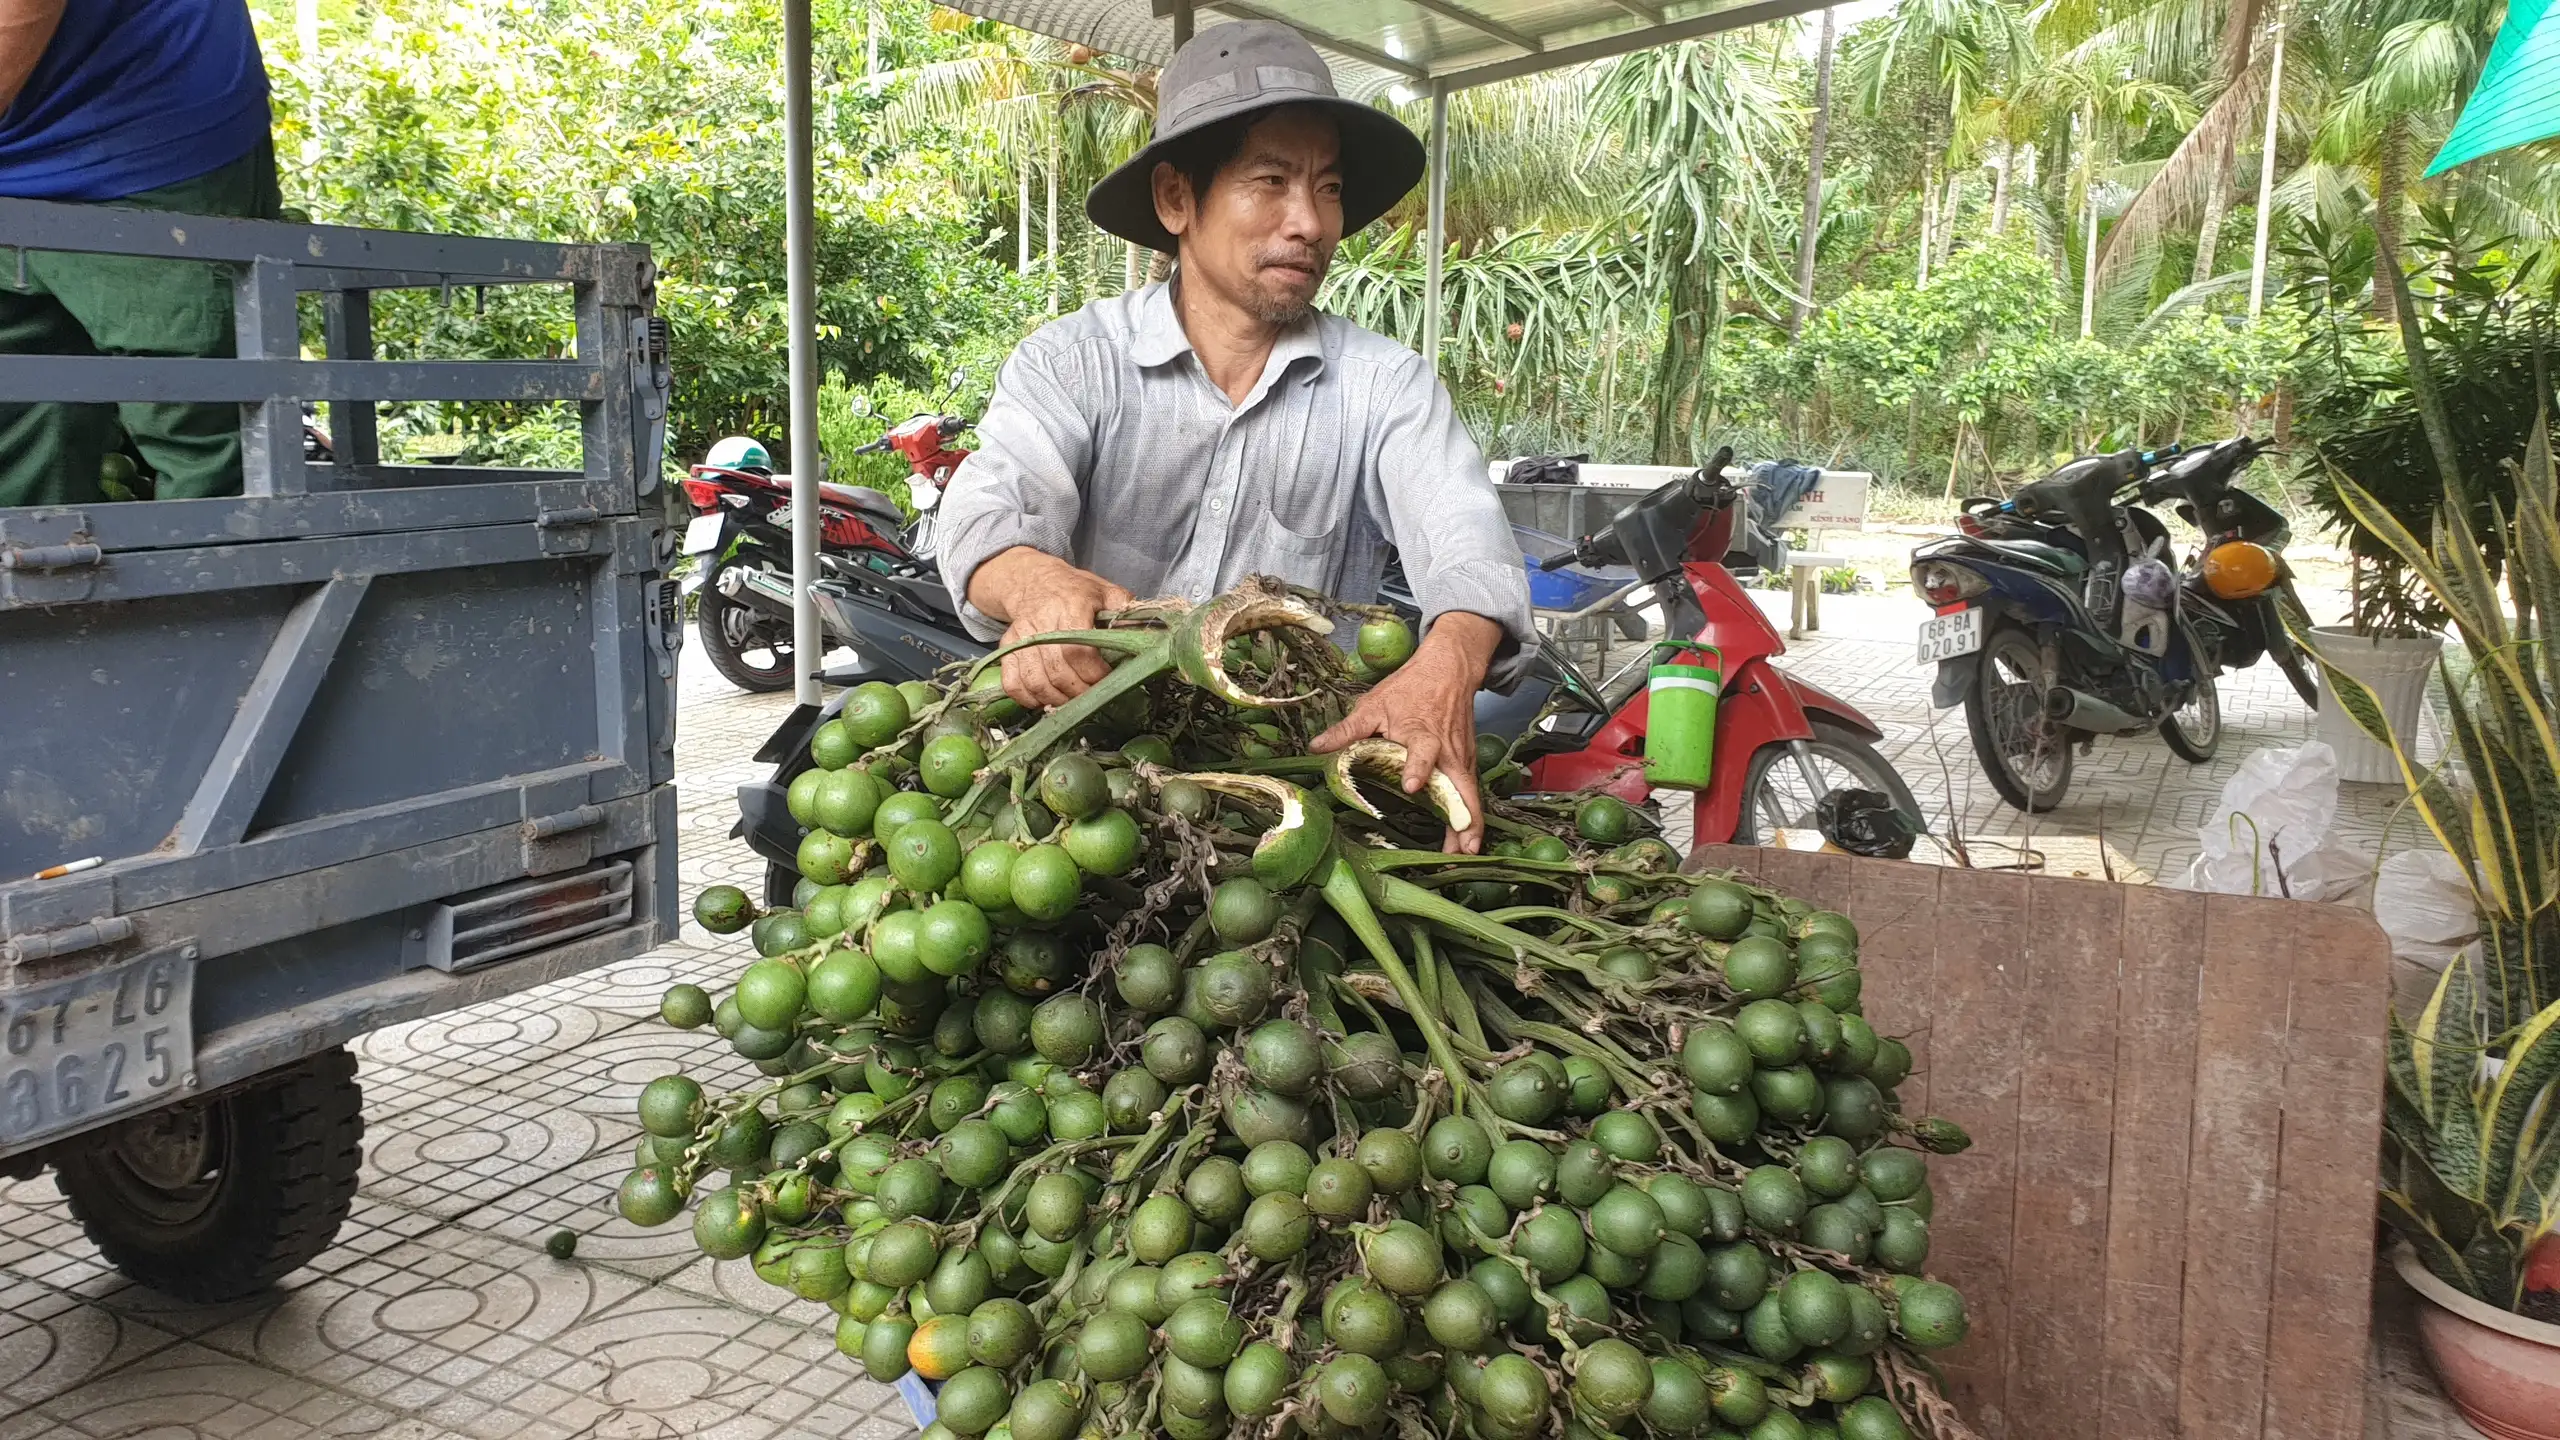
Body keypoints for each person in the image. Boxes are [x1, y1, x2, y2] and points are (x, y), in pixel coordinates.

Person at [937, 21, 1533, 853]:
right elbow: (988, 509)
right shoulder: (1073, 363)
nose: (1310, 223)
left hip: (1290, 812)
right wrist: (1035, 583)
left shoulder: (1384, 387)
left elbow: (1467, 539)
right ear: (1177, 198)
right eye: (1271, 180)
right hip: (1086, 805)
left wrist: (1448, 660)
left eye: (1327, 188)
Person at [0, 0, 281, 509]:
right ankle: (38, 579)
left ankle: (216, 577)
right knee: (18, 413)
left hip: (150, 130)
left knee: (191, 410)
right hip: (14, 153)